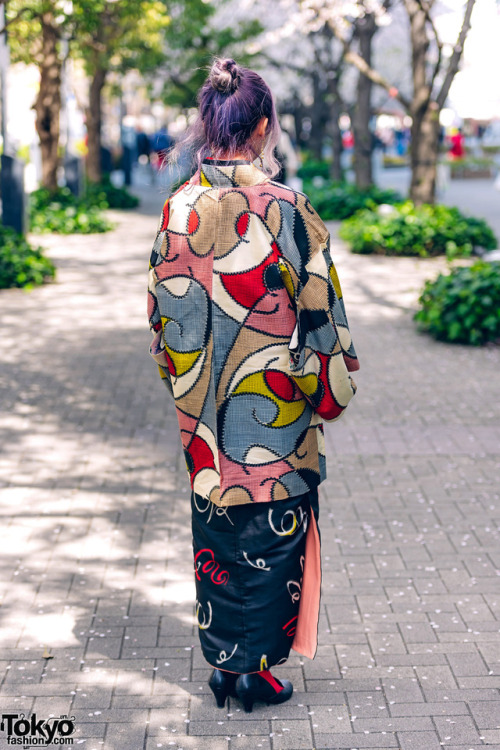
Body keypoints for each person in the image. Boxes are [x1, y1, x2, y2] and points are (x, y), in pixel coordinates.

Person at [147, 58, 359, 713]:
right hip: (275, 410)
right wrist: (330, 381)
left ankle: (224, 664)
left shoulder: (177, 208)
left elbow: (162, 318)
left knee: (217, 540)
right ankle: (256, 674)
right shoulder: (286, 208)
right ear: (263, 126)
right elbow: (322, 310)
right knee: (274, 537)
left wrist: (184, 387)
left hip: (205, 417)